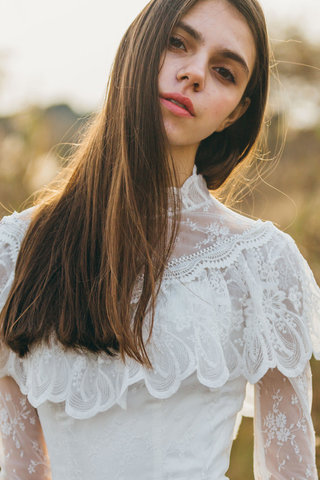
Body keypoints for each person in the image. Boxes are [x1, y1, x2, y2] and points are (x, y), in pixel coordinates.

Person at [0, 0, 319, 478]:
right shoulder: (14, 252)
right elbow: (21, 468)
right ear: (139, 46)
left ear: (235, 114)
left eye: (225, 72)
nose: (194, 74)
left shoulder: (263, 265)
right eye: (177, 43)